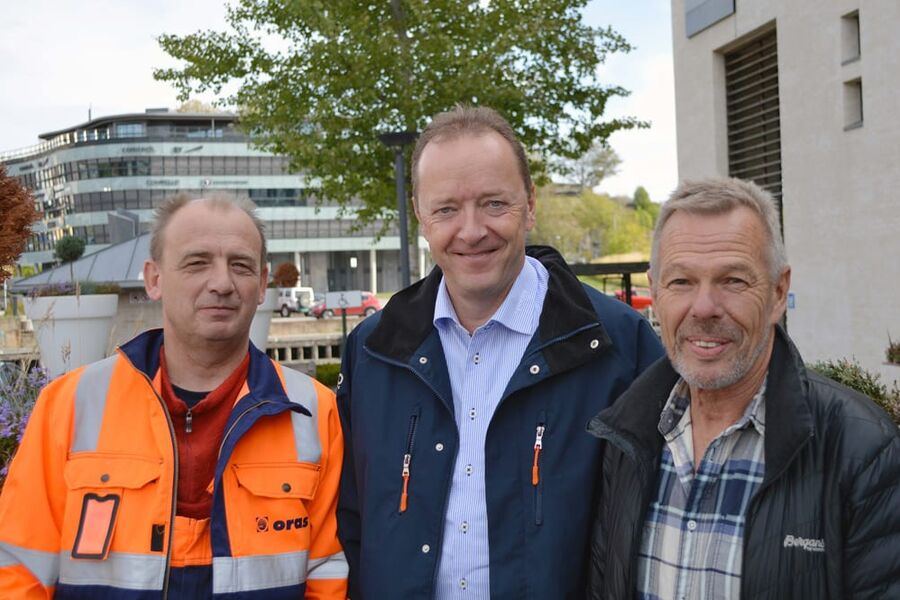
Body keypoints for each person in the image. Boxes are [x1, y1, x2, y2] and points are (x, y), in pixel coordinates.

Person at [336, 105, 664, 599]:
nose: (471, 231)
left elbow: (652, 529)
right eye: (446, 209)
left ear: (530, 204)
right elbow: (349, 523)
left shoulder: (619, 344)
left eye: (493, 203)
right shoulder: (372, 352)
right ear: (421, 216)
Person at [0, 195, 347, 598]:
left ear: (262, 284)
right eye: (197, 263)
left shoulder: (314, 412)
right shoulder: (71, 404)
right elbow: (18, 570)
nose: (222, 283)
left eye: (241, 265)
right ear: (154, 280)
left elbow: (329, 573)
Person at [586, 177, 900, 598]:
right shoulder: (625, 436)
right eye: (681, 282)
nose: (704, 308)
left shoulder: (861, 451)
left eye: (733, 280)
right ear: (656, 294)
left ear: (778, 293)